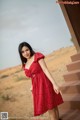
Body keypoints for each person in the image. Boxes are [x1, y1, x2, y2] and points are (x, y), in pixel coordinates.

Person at [18, 42, 63, 120]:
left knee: (52, 107)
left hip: (45, 83)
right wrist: (32, 86)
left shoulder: (37, 56)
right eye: (23, 52)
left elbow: (45, 70)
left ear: (30, 49)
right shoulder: (25, 64)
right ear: (21, 54)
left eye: (27, 50)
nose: (25, 53)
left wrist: (54, 84)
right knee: (52, 106)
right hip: (37, 88)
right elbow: (32, 77)